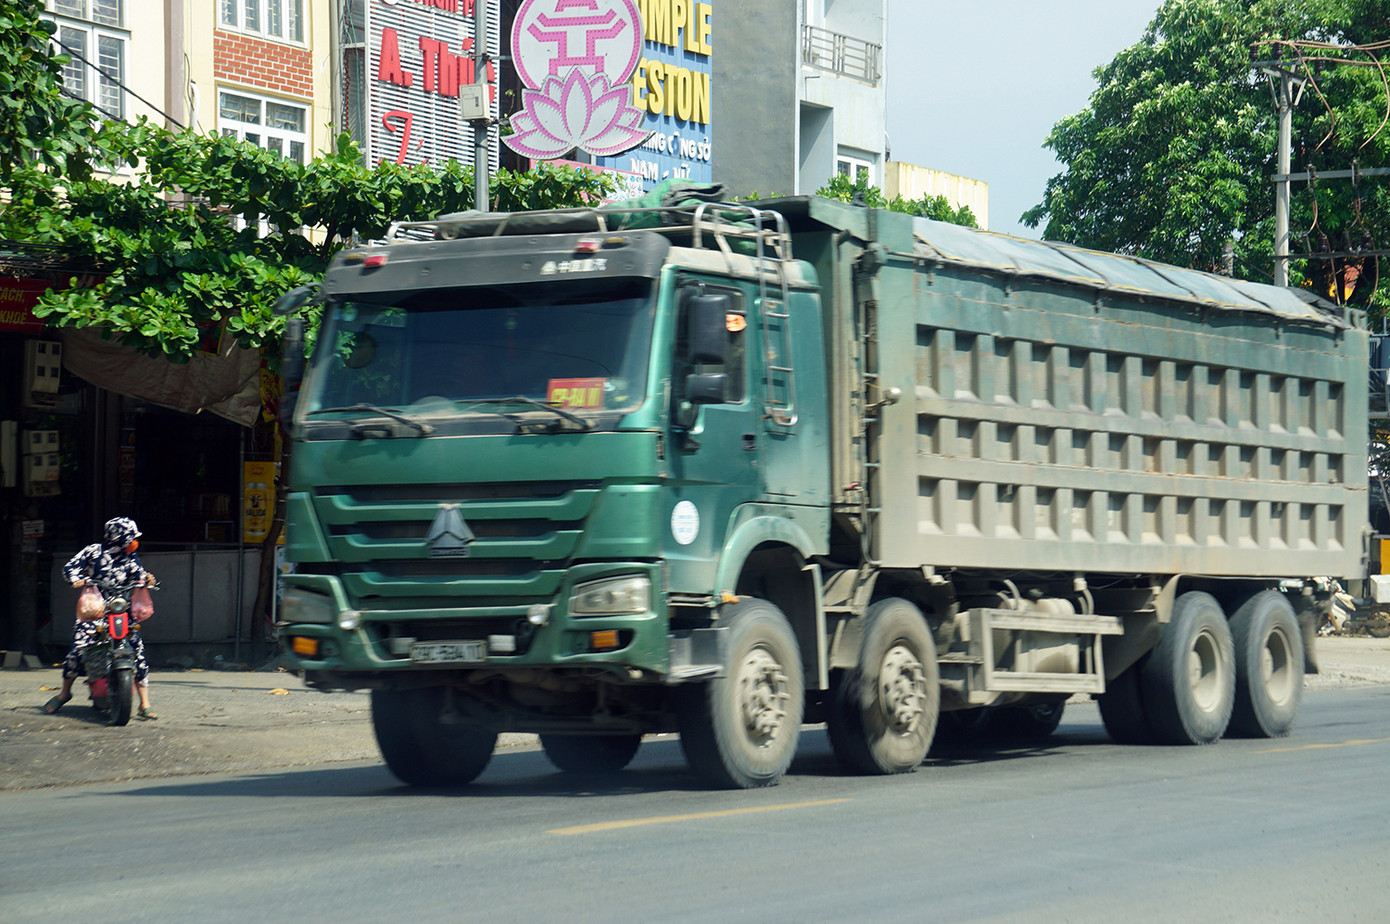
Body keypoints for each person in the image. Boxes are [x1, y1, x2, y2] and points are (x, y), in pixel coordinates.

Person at [44, 517, 158, 720]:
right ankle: (64, 693)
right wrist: (77, 580)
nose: (134, 542)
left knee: (137, 650)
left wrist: (147, 580)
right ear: (118, 537)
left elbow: (139, 575)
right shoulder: (93, 552)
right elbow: (69, 568)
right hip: (94, 610)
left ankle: (144, 703)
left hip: (121, 610)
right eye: (130, 538)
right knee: (77, 648)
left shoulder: (130, 556)